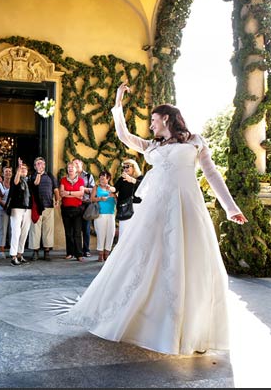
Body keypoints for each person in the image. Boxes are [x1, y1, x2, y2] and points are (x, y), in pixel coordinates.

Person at [62, 82, 248, 355]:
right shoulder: (151, 145)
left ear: (167, 118)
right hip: (156, 209)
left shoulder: (196, 141)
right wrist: (117, 103)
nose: (150, 125)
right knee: (146, 260)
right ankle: (144, 321)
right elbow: (124, 135)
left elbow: (211, 174)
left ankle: (192, 331)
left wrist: (230, 207)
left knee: (191, 262)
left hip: (187, 206)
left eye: (153, 119)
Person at [6, 158, 41, 266]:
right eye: (21, 169)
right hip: (16, 208)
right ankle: (13, 256)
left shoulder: (29, 180)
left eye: (25, 169)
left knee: (24, 232)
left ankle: (20, 254)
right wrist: (18, 170)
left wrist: (39, 172)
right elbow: (16, 182)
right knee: (16, 232)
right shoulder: (15, 178)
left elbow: (36, 183)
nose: (23, 170)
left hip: (28, 209)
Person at [28, 156, 60, 261]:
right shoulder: (32, 176)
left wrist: (57, 200)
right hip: (36, 206)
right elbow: (33, 186)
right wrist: (38, 174)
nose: (40, 165)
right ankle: (35, 251)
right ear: (34, 166)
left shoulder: (50, 176)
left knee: (48, 229)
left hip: (49, 206)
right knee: (35, 230)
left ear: (45, 165)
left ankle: (47, 252)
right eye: (37, 164)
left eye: (41, 163)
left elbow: (55, 190)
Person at [59, 161, 85, 262]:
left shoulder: (81, 181)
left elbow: (81, 193)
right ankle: (70, 253)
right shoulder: (63, 180)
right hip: (66, 209)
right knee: (68, 233)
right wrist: (75, 194)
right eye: (68, 167)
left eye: (72, 167)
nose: (70, 169)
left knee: (77, 233)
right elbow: (61, 194)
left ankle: (79, 254)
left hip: (77, 210)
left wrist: (68, 192)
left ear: (76, 169)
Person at [113, 158, 144, 240]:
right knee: (123, 231)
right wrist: (109, 188)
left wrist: (131, 180)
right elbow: (115, 189)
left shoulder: (140, 178)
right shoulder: (121, 179)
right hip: (125, 207)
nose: (125, 169)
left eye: (127, 167)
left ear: (134, 167)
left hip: (137, 207)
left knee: (136, 231)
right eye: (124, 167)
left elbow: (143, 186)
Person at [90, 170, 117, 262]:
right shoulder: (96, 187)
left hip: (111, 214)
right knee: (101, 234)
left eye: (103, 178)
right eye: (100, 178)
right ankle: (100, 254)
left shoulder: (113, 188)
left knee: (111, 234)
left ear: (108, 179)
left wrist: (114, 195)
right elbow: (92, 199)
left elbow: (117, 200)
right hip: (100, 214)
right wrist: (100, 198)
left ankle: (107, 253)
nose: (101, 180)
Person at [73, 157, 95, 257]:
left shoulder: (88, 176)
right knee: (76, 228)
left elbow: (92, 190)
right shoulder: (71, 176)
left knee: (86, 228)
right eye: (74, 164)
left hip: (86, 204)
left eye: (77, 163)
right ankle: (77, 250)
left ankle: (86, 250)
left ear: (81, 164)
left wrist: (82, 189)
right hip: (74, 204)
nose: (76, 166)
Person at [0, 165, 13, 259]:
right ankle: (1, 250)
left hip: (12, 209)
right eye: (6, 171)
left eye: (10, 171)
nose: (8, 173)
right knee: (2, 229)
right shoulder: (0, 184)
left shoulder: (14, 184)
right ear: (3, 173)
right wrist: (6, 206)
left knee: (12, 230)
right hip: (2, 208)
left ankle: (12, 249)